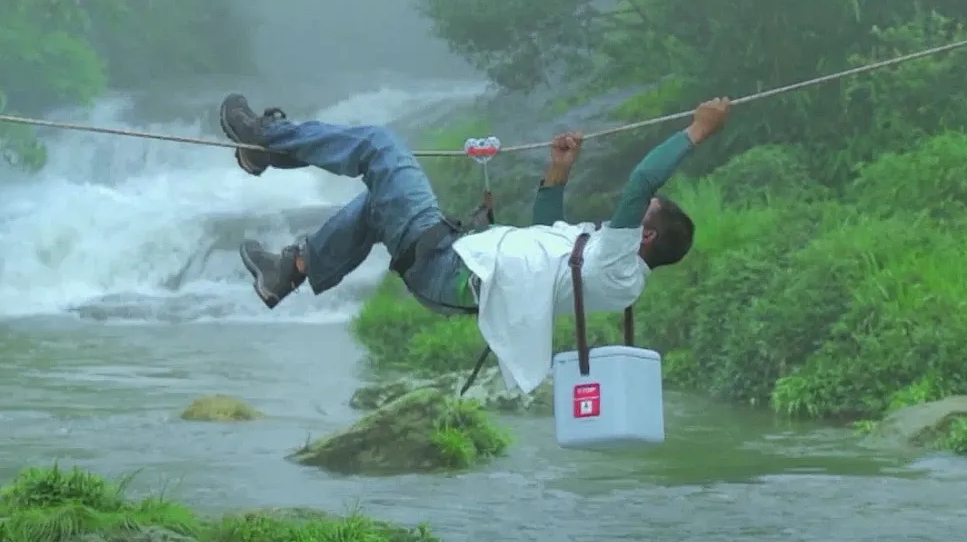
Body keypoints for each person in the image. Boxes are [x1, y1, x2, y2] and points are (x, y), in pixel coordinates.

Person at [218, 92, 732, 394]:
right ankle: (292, 268)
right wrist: (559, 172)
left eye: (642, 213)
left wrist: (697, 130)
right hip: (451, 267)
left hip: (449, 269)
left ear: (644, 236)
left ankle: (265, 140)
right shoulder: (604, 262)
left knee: (382, 148)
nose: (628, 208)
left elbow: (643, 179)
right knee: (379, 201)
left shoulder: (622, 267)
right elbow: (545, 234)